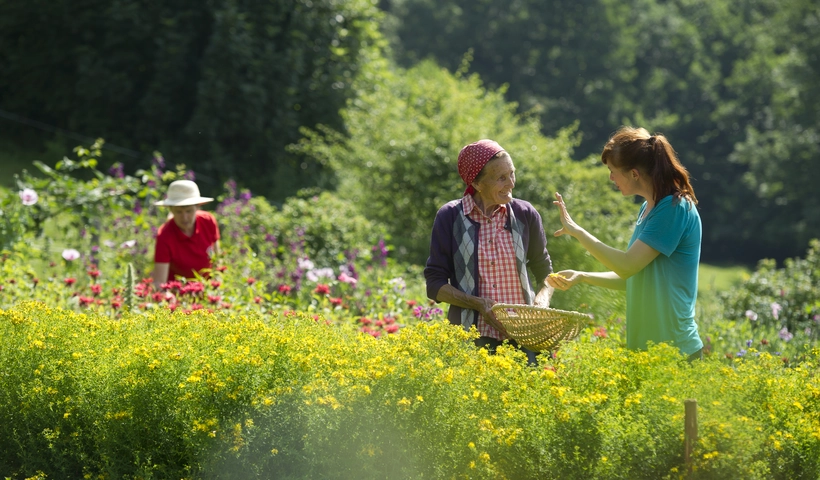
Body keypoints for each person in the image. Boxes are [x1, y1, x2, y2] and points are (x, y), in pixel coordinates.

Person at [546, 126, 703, 360]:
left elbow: (628, 265)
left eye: (613, 171)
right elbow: (635, 276)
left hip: (675, 351)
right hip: (646, 351)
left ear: (634, 173)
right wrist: (582, 276)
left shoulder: (674, 208)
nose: (610, 178)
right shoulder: (648, 209)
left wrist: (577, 231)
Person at [424, 139, 554, 363]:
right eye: (501, 178)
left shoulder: (525, 214)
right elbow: (434, 285)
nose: (511, 183)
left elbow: (546, 272)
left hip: (525, 335)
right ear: (477, 183)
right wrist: (478, 303)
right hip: (471, 336)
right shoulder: (450, 217)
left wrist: (543, 299)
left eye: (512, 173)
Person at [151, 180, 220, 289]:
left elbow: (217, 260)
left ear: (197, 207)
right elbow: (160, 282)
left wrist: (217, 288)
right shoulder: (164, 235)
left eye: (189, 211)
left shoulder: (208, 221)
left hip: (208, 291)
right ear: (171, 210)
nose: (184, 217)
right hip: (179, 295)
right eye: (179, 212)